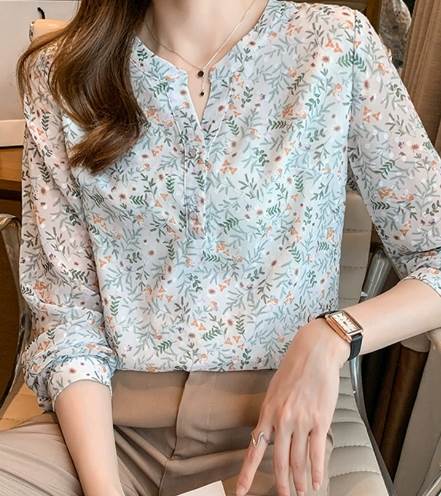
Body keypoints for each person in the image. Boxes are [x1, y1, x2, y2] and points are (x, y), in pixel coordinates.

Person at [1, 0, 441, 495]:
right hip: (102, 428)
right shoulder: (60, 72)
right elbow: (68, 315)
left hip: (271, 431)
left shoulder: (335, 45)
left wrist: (334, 334)